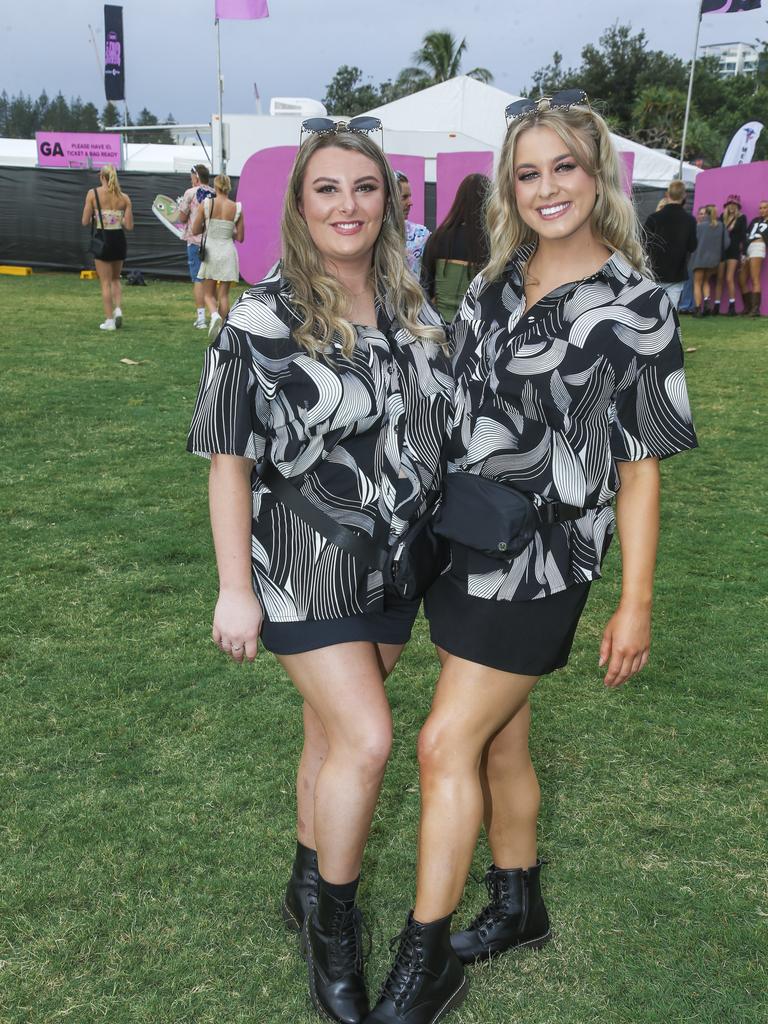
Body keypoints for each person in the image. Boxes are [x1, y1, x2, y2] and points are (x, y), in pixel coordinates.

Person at [367, 93, 697, 1024]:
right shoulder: (495, 280)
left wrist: (634, 603)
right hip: (464, 536)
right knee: (499, 733)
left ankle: (425, 960)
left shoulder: (636, 305)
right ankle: (520, 905)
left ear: (599, 176)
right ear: (509, 185)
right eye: (529, 171)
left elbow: (640, 470)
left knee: (444, 743)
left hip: (548, 557)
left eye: (566, 167)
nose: (548, 187)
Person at [187, 123, 453, 1024]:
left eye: (365, 188)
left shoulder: (416, 311)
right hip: (301, 561)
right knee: (368, 741)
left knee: (329, 739)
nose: (348, 206)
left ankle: (306, 884)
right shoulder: (263, 316)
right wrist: (235, 587)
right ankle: (332, 932)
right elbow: (228, 457)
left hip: (395, 567)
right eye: (328, 189)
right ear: (299, 204)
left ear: (389, 201)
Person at [420, 173, 491, 322]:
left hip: (438, 325)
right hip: (473, 328)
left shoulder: (437, 237)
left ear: (459, 200)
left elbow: (425, 287)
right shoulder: (490, 243)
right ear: (488, 202)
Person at [190, 173, 244, 338]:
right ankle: (223, 330)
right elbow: (240, 237)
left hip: (211, 250)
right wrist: (227, 231)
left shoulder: (206, 204)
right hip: (228, 251)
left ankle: (214, 315)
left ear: (215, 186)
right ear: (229, 187)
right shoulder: (237, 207)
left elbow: (195, 230)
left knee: (208, 293)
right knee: (224, 295)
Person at [80, 164, 133, 331]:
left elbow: (85, 221)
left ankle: (109, 320)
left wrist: (99, 216)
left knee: (105, 283)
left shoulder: (92, 194)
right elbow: (129, 226)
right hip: (119, 239)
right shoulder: (124, 198)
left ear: (101, 177)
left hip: (103, 239)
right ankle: (117, 309)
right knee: (116, 279)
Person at [643, 178, 697, 309]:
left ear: (667, 195)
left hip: (655, 271)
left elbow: (643, 243)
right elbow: (692, 246)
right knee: (671, 315)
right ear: (684, 195)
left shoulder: (654, 218)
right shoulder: (689, 220)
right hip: (677, 273)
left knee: (653, 312)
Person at [177, 164, 215, 329]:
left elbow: (182, 217)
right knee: (211, 279)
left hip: (195, 242)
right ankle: (214, 314)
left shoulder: (190, 193)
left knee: (198, 279)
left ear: (196, 177)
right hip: (212, 241)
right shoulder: (215, 193)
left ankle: (201, 318)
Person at [690, 204, 729, 317]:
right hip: (713, 260)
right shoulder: (721, 226)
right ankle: (706, 304)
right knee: (706, 282)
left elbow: (693, 243)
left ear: (706, 213)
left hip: (699, 259)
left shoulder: (699, 226)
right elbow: (726, 243)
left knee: (697, 283)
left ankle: (697, 309)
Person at [714, 194, 747, 316]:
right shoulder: (722, 217)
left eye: (734, 204)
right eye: (730, 204)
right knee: (719, 279)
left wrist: (744, 253)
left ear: (738, 206)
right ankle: (716, 306)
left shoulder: (742, 218)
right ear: (727, 206)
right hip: (722, 251)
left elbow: (743, 236)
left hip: (734, 251)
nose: (732, 206)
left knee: (729, 278)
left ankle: (732, 306)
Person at [395, 171, 430, 276]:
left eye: (409, 197)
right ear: (389, 199)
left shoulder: (421, 235)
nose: (410, 203)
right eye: (404, 197)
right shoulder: (373, 235)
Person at [741, 199, 768, 317]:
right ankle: (748, 307)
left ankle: (755, 309)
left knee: (754, 278)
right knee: (741, 279)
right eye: (760, 208)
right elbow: (747, 236)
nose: (762, 210)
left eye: (765, 207)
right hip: (748, 248)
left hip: (758, 246)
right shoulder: (754, 221)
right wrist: (743, 252)